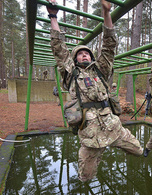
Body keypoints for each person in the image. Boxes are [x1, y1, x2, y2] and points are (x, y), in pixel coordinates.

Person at [47, 0, 143, 182]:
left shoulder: (100, 70)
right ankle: (96, 158)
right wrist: (53, 16)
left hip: (113, 128)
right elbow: (59, 48)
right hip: (90, 136)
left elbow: (109, 46)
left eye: (87, 53)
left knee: (138, 151)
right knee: (86, 177)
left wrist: (107, 14)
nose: (85, 55)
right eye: (80, 54)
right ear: (74, 59)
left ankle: (113, 147)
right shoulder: (71, 73)